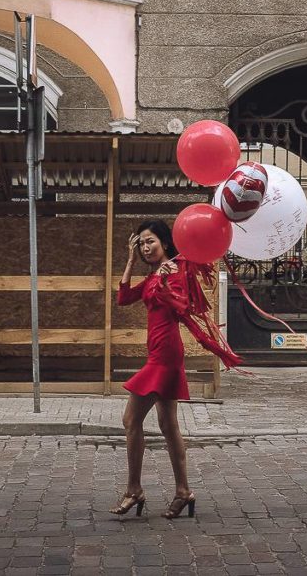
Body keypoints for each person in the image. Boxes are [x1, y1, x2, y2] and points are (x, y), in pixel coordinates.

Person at [109, 219, 242, 519]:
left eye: (150, 241)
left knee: (130, 419)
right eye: (141, 243)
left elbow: (180, 306)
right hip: (158, 352)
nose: (145, 247)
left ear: (165, 243)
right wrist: (130, 262)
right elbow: (123, 297)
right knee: (169, 426)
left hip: (165, 357)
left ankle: (134, 489)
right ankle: (183, 491)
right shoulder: (155, 274)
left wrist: (168, 281)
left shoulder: (174, 271)